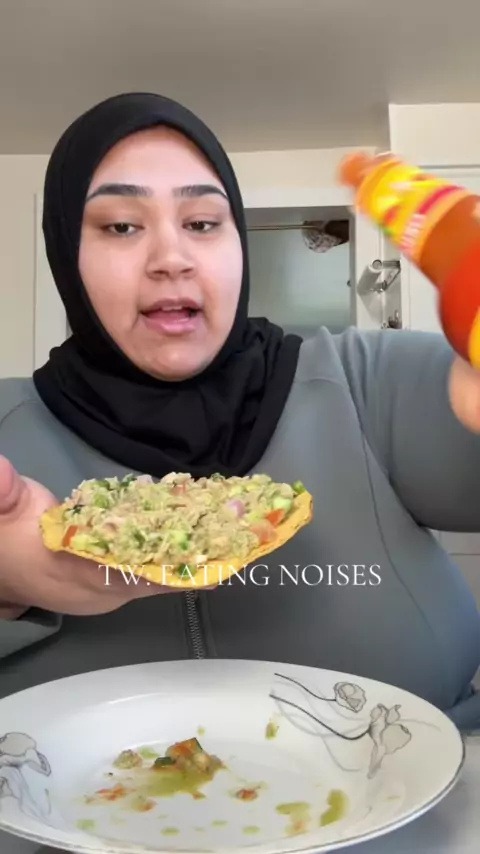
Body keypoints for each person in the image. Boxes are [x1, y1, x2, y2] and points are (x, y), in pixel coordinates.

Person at [1, 92, 480, 732]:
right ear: (65, 252)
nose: (172, 258)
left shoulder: (368, 381)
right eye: (120, 226)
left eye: (202, 223)